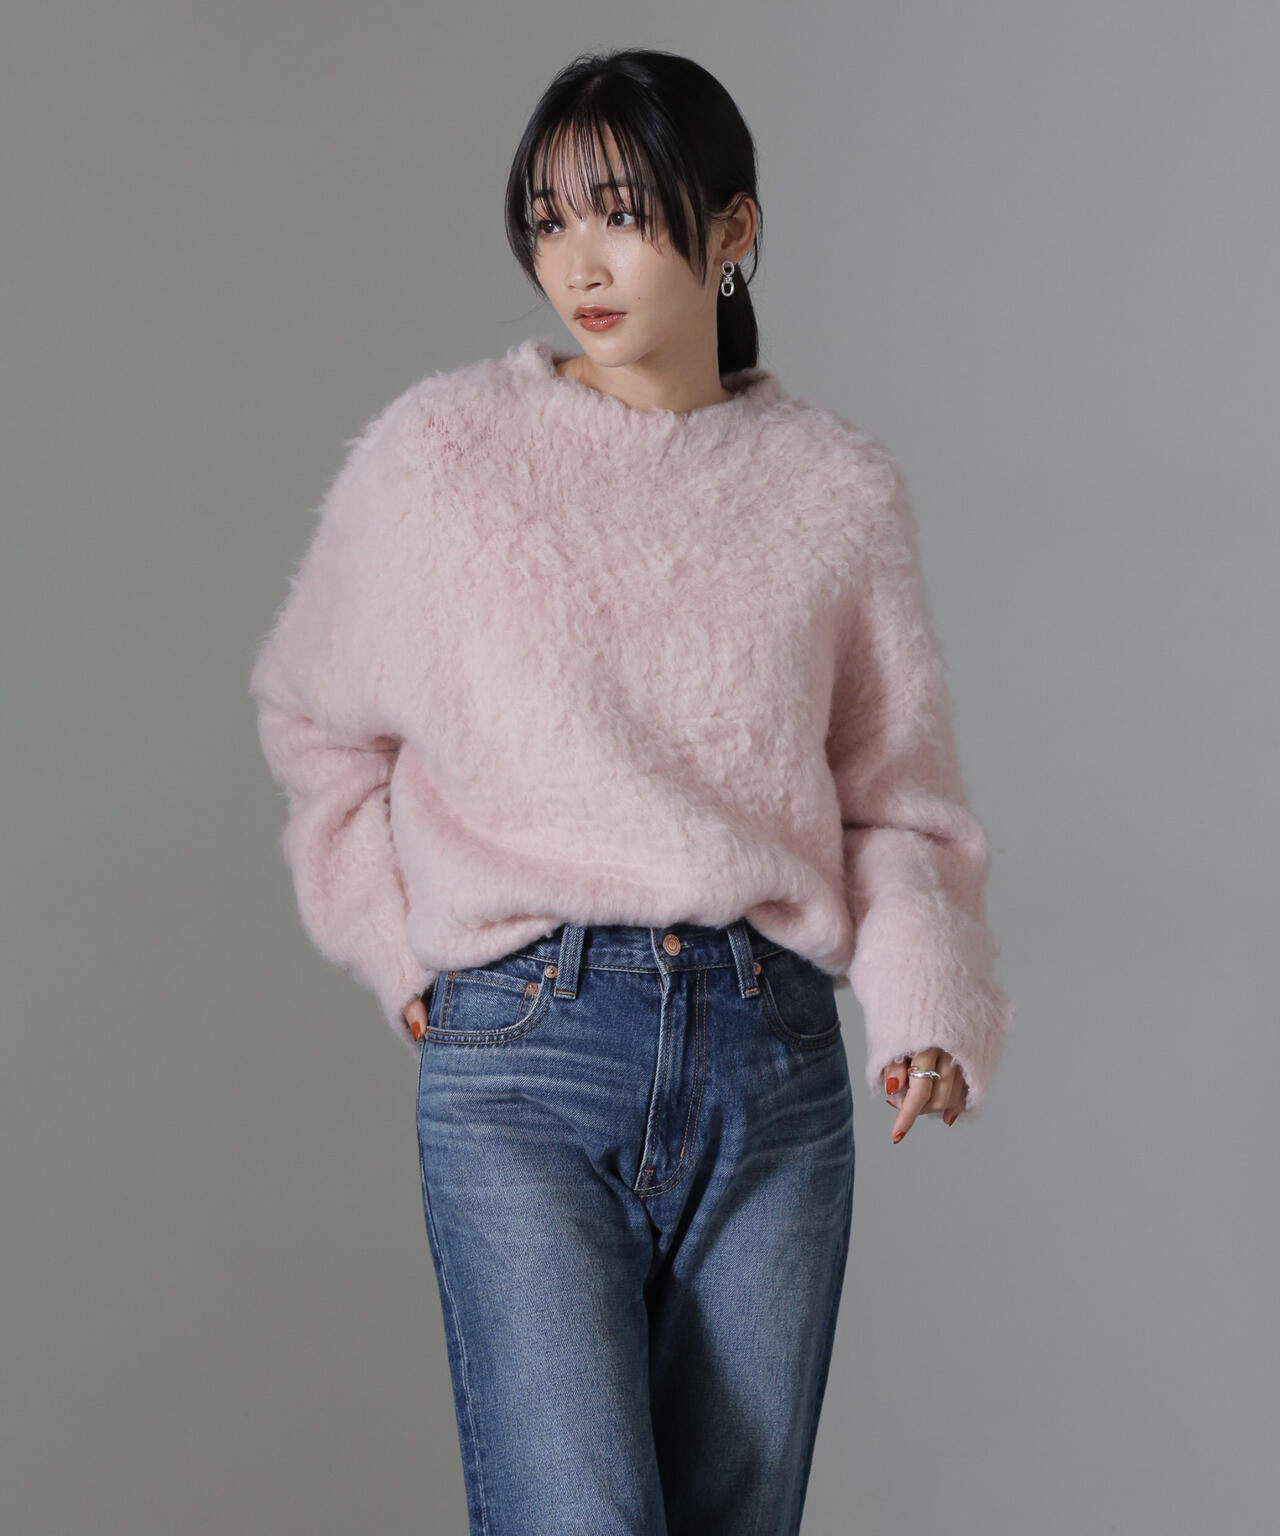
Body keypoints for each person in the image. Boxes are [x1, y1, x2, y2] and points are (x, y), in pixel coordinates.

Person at [249, 45, 1013, 1536]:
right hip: (524, 1060)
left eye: (621, 212)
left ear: (732, 229)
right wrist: (398, 944)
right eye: (549, 220)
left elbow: (895, 800)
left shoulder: (834, 489)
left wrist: (924, 997)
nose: (578, 263)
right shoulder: (444, 457)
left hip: (771, 1060)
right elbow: (316, 717)